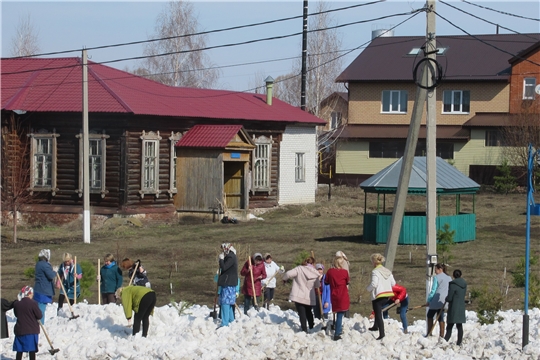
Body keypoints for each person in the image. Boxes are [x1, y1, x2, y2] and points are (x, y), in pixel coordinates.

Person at [282, 256, 320, 333]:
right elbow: (317, 285)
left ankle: (304, 329)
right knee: (309, 312)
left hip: (298, 295)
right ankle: (311, 326)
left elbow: (288, 273)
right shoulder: (315, 273)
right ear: (313, 263)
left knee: (302, 313)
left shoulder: (299, 269)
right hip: (309, 296)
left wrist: (284, 279)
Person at [366, 253, 395, 340]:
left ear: (374, 262)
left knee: (378, 314)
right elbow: (393, 283)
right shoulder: (387, 271)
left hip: (378, 295)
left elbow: (374, 284)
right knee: (377, 311)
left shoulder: (375, 271)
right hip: (387, 295)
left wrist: (368, 289)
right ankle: (375, 326)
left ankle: (382, 334)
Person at [12, 286, 42, 360]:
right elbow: (39, 315)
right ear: (30, 293)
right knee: (32, 350)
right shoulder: (33, 303)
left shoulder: (17, 304)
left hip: (20, 330)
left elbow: (16, 314)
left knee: (19, 350)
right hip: (31, 330)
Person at [325, 257, 349, 341]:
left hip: (334, 294)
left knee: (337, 311)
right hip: (342, 294)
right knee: (340, 314)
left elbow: (326, 282)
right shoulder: (344, 272)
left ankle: (337, 328)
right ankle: (337, 333)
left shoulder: (330, 272)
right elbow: (347, 282)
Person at [426, 263, 452, 337]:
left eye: (436, 270)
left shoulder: (436, 277)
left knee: (430, 315)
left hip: (437, 298)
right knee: (440, 316)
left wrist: (429, 300)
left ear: (440, 269)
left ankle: (429, 332)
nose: (435, 271)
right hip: (445, 300)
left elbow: (433, 290)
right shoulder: (449, 278)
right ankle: (442, 334)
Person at [33, 249, 56, 324]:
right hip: (43, 289)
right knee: (41, 308)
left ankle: (36, 321)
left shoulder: (38, 264)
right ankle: (40, 323)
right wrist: (54, 272)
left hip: (38, 288)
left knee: (38, 306)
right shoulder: (45, 265)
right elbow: (50, 275)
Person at [444, 269, 467, 346]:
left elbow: (450, 297)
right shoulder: (464, 284)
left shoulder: (453, 284)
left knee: (450, 324)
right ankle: (459, 342)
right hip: (461, 306)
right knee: (459, 325)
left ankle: (446, 340)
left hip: (454, 306)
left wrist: (446, 298)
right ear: (461, 275)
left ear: (453, 276)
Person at [218, 243, 238, 326]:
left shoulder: (231, 257)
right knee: (229, 302)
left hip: (228, 282)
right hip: (230, 282)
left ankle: (225, 322)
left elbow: (225, 267)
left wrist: (221, 260)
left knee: (225, 302)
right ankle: (231, 320)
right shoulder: (232, 257)